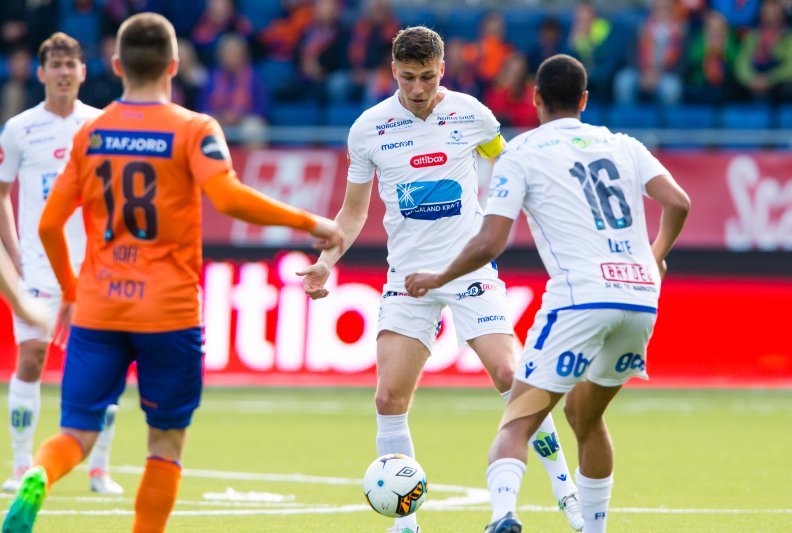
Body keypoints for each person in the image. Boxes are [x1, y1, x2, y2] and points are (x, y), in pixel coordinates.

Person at [2, 12, 344, 533]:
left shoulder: (90, 132)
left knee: (75, 431)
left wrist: (72, 291)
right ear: (174, 65)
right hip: (169, 312)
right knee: (164, 442)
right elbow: (228, 197)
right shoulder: (193, 128)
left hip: (100, 305)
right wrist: (310, 221)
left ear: (116, 65)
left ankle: (42, 475)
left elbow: (50, 224)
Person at [297, 26, 583, 533]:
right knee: (389, 399)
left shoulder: (473, 115)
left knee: (511, 379)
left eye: (427, 77)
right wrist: (327, 259)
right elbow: (353, 210)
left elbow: (511, 164)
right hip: (408, 278)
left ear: (442, 70)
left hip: (469, 271)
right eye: (407, 78)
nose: (418, 89)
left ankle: (572, 503)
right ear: (393, 72)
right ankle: (405, 524)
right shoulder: (369, 129)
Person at [405, 54, 691, 533]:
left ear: (535, 98)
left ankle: (504, 516)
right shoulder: (623, 144)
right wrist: (655, 255)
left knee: (519, 417)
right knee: (586, 417)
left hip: (582, 298)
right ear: (583, 100)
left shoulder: (521, 152)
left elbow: (490, 241)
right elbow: (678, 201)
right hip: (641, 299)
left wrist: (437, 276)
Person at [0, 32, 124, 495]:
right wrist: (14, 252)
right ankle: (18, 467)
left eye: (72, 64)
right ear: (41, 73)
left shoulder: (101, 125)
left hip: (94, 268)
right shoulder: (18, 129)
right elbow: (2, 196)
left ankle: (100, 470)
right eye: (55, 64)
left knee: (102, 366)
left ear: (84, 72)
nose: (64, 72)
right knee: (31, 358)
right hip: (37, 266)